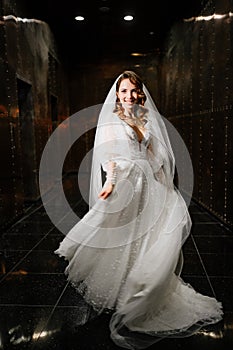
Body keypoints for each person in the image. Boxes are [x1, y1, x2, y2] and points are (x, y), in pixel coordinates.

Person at [55, 71, 223, 349]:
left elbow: (156, 156)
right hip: (126, 184)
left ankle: (143, 287)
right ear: (117, 94)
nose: (129, 96)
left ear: (140, 93)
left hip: (150, 185)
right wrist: (110, 184)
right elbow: (111, 157)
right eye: (124, 91)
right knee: (124, 236)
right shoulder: (112, 120)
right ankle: (123, 287)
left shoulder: (145, 118)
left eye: (134, 91)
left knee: (150, 236)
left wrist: (163, 183)